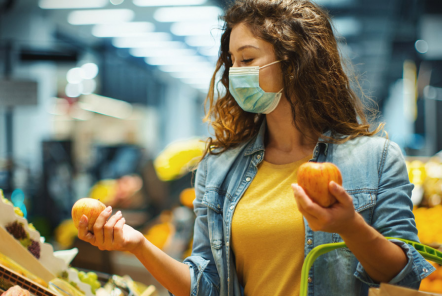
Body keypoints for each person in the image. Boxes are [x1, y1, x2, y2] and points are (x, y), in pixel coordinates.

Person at [77, 0, 435, 295]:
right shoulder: (218, 167)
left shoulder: (376, 159)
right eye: (232, 61)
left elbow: (405, 276)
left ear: (295, 62)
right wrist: (136, 244)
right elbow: (206, 285)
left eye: (247, 59)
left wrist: (349, 225)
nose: (236, 72)